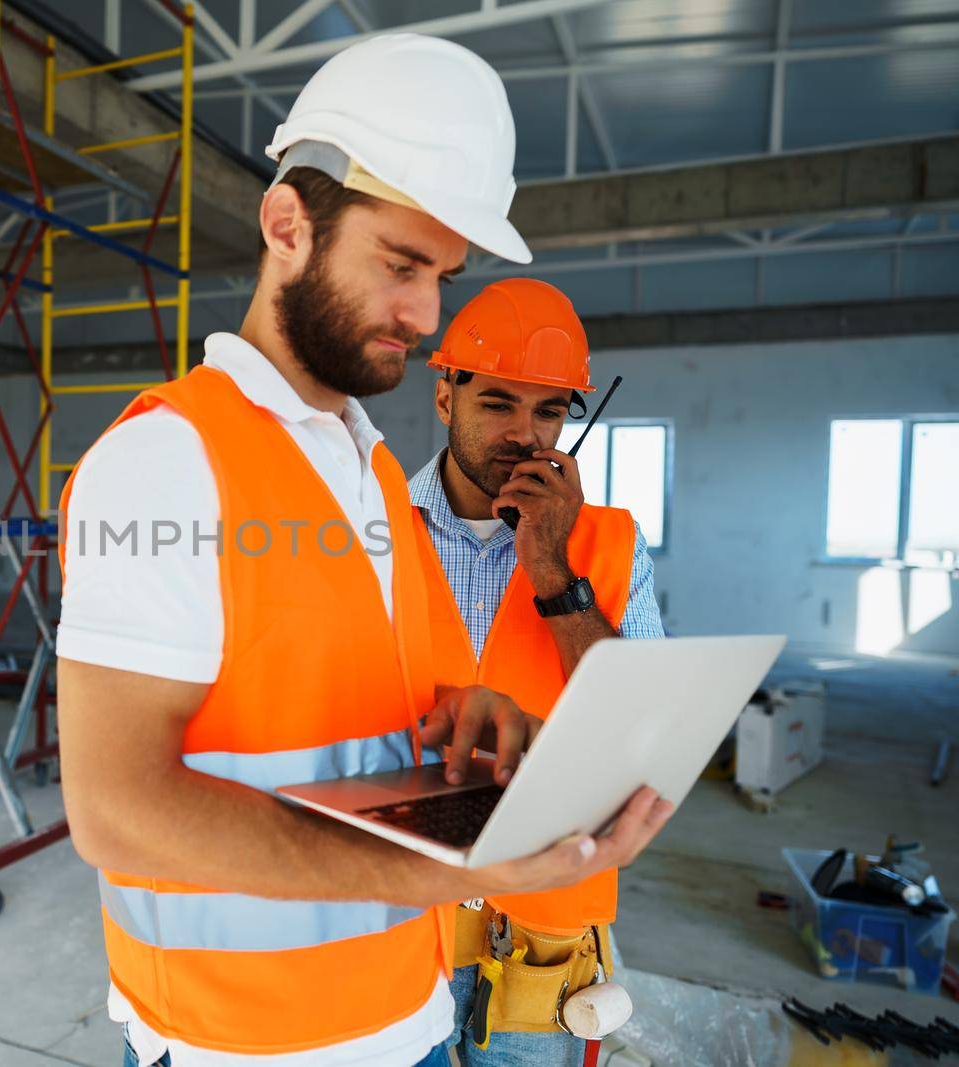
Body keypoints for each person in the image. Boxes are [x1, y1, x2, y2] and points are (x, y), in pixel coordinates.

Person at [54, 34, 675, 1067]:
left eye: (440, 275)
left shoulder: (371, 469)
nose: (425, 314)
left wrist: (456, 710)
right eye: (398, 264)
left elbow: (351, 701)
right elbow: (116, 814)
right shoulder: (169, 460)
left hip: (406, 1009)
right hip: (244, 1040)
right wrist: (446, 871)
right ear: (287, 223)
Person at [408, 277, 666, 1065]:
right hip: (400, 916)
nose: (527, 434)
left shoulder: (613, 545)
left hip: (547, 929)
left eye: (550, 410)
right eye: (498, 403)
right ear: (445, 396)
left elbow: (643, 734)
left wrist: (554, 569)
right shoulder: (367, 526)